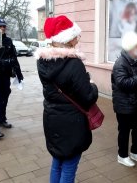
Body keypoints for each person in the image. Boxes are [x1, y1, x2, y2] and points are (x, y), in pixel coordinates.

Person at [36, 15, 98, 183]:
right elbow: (88, 97)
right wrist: (92, 84)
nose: (77, 41)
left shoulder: (42, 61)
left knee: (57, 162)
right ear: (68, 39)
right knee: (70, 165)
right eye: (75, 37)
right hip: (71, 122)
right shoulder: (74, 63)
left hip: (51, 117)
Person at [112, 31, 137, 167]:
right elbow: (123, 83)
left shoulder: (135, 62)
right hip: (124, 105)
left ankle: (135, 152)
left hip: (136, 104)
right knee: (124, 132)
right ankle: (122, 155)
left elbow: (136, 81)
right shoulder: (120, 63)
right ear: (130, 48)